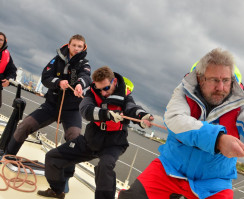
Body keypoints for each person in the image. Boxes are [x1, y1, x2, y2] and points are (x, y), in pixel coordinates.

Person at [118, 48, 244, 199]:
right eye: (214, 80)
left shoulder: (243, 104)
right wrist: (219, 140)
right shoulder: (183, 92)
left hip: (215, 181)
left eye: (226, 81)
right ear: (200, 79)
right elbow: (176, 119)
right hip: (170, 167)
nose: (221, 87)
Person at [37, 66, 154, 199]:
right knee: (53, 157)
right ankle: (57, 191)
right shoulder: (92, 93)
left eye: (105, 88)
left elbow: (133, 108)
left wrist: (142, 117)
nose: (103, 93)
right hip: (90, 140)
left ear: (114, 82)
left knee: (105, 167)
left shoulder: (125, 96)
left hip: (113, 143)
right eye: (99, 89)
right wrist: (107, 114)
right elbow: (85, 109)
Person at [4, 34, 92, 191]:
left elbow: (86, 76)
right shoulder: (57, 59)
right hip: (51, 105)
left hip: (71, 110)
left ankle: (65, 178)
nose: (77, 49)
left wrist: (79, 84)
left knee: (74, 139)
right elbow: (45, 77)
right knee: (25, 125)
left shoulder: (84, 63)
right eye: (74, 45)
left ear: (83, 48)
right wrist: (58, 82)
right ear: (69, 45)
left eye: (80, 46)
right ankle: (8, 157)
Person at [0, 32, 17, 108]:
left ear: (4, 42)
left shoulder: (7, 56)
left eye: (1, 40)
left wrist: (8, 80)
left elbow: (12, 72)